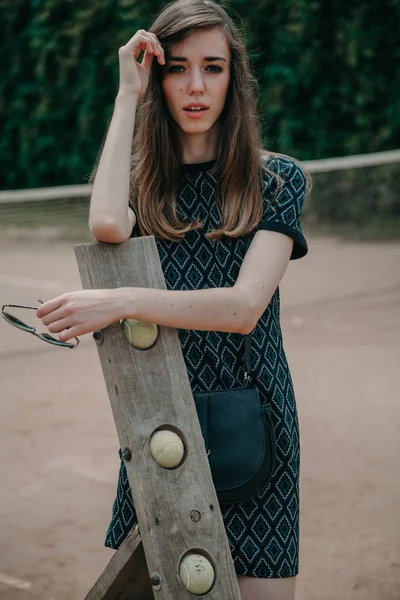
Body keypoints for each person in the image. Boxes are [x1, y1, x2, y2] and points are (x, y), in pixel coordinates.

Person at [37, 1, 310, 598]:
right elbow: (108, 222)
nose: (194, 86)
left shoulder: (279, 181)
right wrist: (125, 95)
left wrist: (122, 301)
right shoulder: (143, 187)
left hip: (257, 424)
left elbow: (242, 310)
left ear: (233, 78)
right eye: (176, 67)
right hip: (162, 426)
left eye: (212, 68)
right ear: (157, 77)